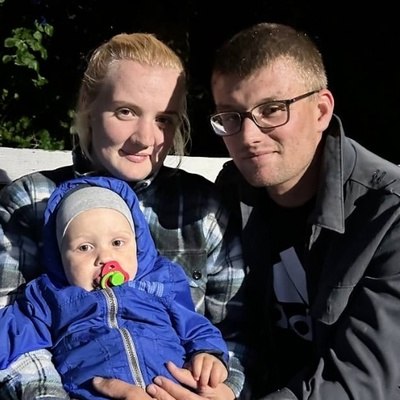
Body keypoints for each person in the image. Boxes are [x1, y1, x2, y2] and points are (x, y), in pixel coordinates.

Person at [91, 21, 400, 400]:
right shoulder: (229, 194)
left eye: (272, 110)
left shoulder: (387, 214)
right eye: (231, 116)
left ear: (321, 110)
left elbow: (363, 383)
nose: (249, 137)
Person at [0, 33, 246, 400]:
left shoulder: (203, 209)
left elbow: (236, 330)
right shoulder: (30, 202)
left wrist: (224, 388)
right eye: (125, 112)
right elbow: (12, 336)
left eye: (164, 119)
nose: (145, 138)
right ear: (89, 105)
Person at [0, 176, 229, 400]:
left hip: (171, 390)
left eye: (117, 243)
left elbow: (195, 326)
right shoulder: (48, 296)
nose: (105, 257)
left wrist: (208, 353)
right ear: (60, 256)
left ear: (137, 244)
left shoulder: (162, 281)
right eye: (84, 247)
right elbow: (12, 333)